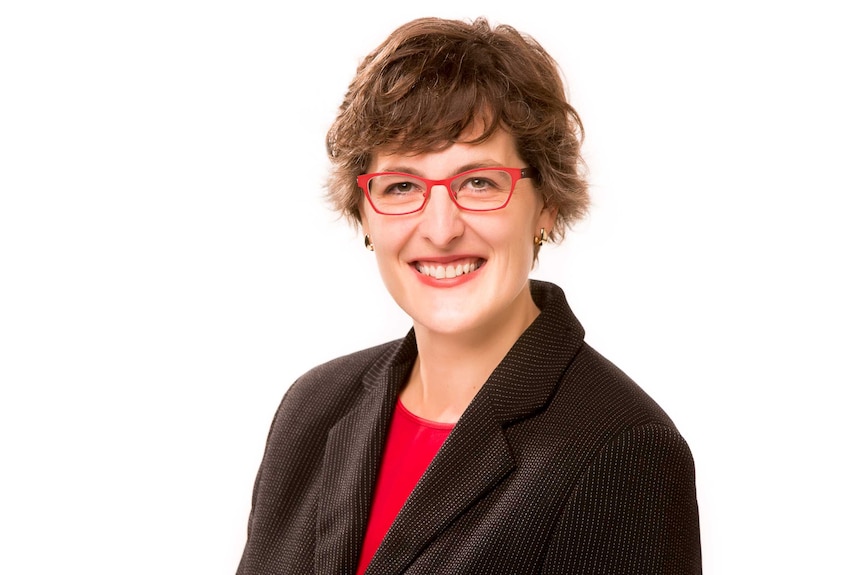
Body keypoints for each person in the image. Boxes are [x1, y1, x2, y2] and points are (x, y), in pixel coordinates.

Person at [237, 16, 701, 575]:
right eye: (402, 185)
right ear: (364, 213)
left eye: (478, 182)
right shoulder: (310, 409)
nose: (440, 228)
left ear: (547, 202)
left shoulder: (622, 451)